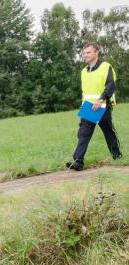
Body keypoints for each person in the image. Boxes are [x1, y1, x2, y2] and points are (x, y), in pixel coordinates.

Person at [67, 42, 122, 171]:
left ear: (97, 52)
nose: (85, 55)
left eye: (89, 52)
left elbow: (110, 86)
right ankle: (78, 162)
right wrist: (83, 105)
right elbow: (85, 92)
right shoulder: (83, 72)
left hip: (102, 106)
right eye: (84, 53)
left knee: (109, 132)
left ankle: (117, 156)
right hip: (88, 107)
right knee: (83, 134)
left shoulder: (106, 67)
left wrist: (101, 99)